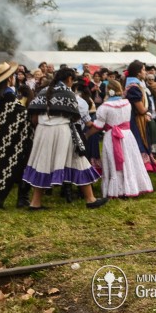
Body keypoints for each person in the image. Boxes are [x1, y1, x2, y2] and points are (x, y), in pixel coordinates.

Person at [22, 67, 108, 210]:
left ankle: (35, 203)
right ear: (69, 79)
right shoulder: (68, 94)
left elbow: (34, 117)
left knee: (43, 164)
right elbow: (75, 117)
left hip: (42, 132)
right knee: (79, 160)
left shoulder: (43, 91)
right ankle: (90, 199)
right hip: (62, 131)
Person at [89, 79, 153, 198]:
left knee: (114, 161)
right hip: (127, 135)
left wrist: (87, 134)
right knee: (128, 159)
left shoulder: (104, 107)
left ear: (108, 91)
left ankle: (117, 189)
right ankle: (132, 186)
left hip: (112, 136)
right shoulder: (127, 103)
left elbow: (98, 126)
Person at [0, 62, 33, 209]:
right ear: (9, 78)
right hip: (6, 139)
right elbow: (19, 115)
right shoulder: (8, 95)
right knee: (6, 165)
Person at [124, 61, 156, 173]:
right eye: (144, 70)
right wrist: (147, 111)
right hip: (135, 119)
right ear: (138, 73)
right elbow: (140, 108)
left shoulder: (134, 85)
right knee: (138, 141)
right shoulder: (134, 87)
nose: (145, 72)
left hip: (136, 118)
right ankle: (138, 167)